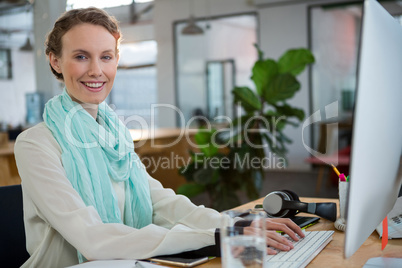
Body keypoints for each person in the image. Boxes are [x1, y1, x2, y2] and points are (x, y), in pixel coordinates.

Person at [14, 7, 304, 268]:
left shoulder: (114, 134)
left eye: (106, 56)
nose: (96, 70)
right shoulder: (36, 144)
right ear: (55, 61)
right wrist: (216, 235)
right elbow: (92, 238)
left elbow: (159, 202)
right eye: (80, 56)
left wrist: (233, 223)